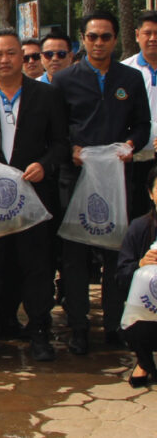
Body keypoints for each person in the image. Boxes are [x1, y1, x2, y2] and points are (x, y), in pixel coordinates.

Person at [0, 28, 69, 360]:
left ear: (22, 56)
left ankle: (39, 334)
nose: (4, 60)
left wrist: (45, 165)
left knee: (37, 268)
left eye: (11, 53)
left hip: (34, 196)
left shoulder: (46, 96)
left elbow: (61, 143)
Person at [52, 11, 151, 354]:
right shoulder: (64, 80)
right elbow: (55, 128)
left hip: (117, 178)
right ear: (83, 39)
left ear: (115, 39)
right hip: (76, 177)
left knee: (115, 253)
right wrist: (71, 149)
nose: (98, 43)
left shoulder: (131, 79)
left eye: (105, 37)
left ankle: (113, 324)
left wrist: (131, 145)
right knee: (75, 256)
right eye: (92, 36)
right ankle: (79, 326)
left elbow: (142, 124)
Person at [116, 164, 157, 387]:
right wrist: (140, 265)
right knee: (133, 322)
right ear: (150, 193)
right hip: (148, 311)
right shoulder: (140, 227)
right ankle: (144, 361)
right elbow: (121, 275)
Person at [122, 11, 157, 220]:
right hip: (135, 158)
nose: (153, 38)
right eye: (148, 33)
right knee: (135, 214)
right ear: (137, 35)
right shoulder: (125, 70)